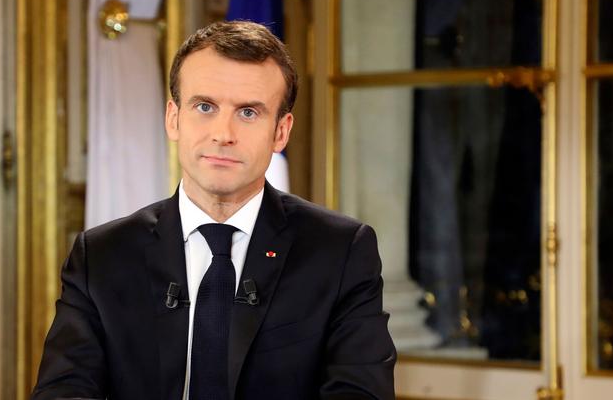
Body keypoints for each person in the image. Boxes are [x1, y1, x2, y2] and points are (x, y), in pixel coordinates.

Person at [31, 21, 396, 400]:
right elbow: (63, 392)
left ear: (281, 132)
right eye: (204, 106)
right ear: (174, 119)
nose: (223, 133)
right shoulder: (102, 255)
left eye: (248, 113)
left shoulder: (340, 251)